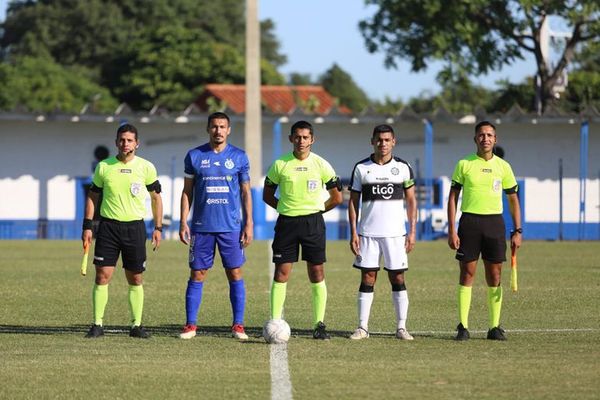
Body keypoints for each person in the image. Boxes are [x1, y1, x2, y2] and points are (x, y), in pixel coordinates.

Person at [263, 120, 343, 340]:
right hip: (287, 223)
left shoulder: (321, 164)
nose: (301, 141)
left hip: (313, 224)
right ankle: (275, 321)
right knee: (282, 273)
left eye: (306, 137)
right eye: (297, 137)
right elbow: (267, 195)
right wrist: (286, 208)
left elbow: (337, 197)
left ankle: (319, 324)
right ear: (291, 139)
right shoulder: (280, 164)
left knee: (316, 272)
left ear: (312, 139)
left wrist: (316, 211)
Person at [82, 123, 163, 339]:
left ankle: (136, 325)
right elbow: (93, 196)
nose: (125, 143)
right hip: (108, 227)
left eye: (129, 140)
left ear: (137, 143)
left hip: (135, 228)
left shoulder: (146, 167)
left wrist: (158, 227)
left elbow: (156, 198)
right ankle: (97, 324)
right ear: (116, 142)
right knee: (102, 275)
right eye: (121, 139)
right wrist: (87, 226)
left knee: (135, 278)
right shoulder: (103, 167)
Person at [179, 112, 253, 340]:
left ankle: (238, 325)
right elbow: (187, 191)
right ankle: (191, 325)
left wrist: (248, 223)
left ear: (229, 130)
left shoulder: (239, 157)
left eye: (222, 127)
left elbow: (245, 192)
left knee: (235, 272)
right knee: (197, 273)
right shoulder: (194, 156)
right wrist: (183, 221)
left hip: (230, 226)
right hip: (201, 227)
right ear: (208, 129)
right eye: (214, 127)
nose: (218, 131)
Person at [447, 120, 522, 341]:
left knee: (495, 275)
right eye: (481, 135)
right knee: (467, 273)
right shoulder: (464, 164)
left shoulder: (503, 166)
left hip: (494, 224)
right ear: (475, 139)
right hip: (469, 223)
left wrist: (518, 230)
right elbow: (452, 198)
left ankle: (494, 326)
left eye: (489, 135)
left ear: (495, 139)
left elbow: (513, 200)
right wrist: (452, 229)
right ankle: (463, 326)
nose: (485, 138)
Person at [347, 124, 417, 340]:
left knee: (397, 277)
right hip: (368, 234)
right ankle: (362, 327)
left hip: (395, 234)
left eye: (387, 140)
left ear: (393, 142)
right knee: (368, 277)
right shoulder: (361, 168)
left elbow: (412, 201)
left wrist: (412, 231)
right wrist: (354, 233)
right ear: (372, 141)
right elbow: (353, 202)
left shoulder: (403, 168)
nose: (383, 143)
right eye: (379, 140)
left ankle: (401, 327)